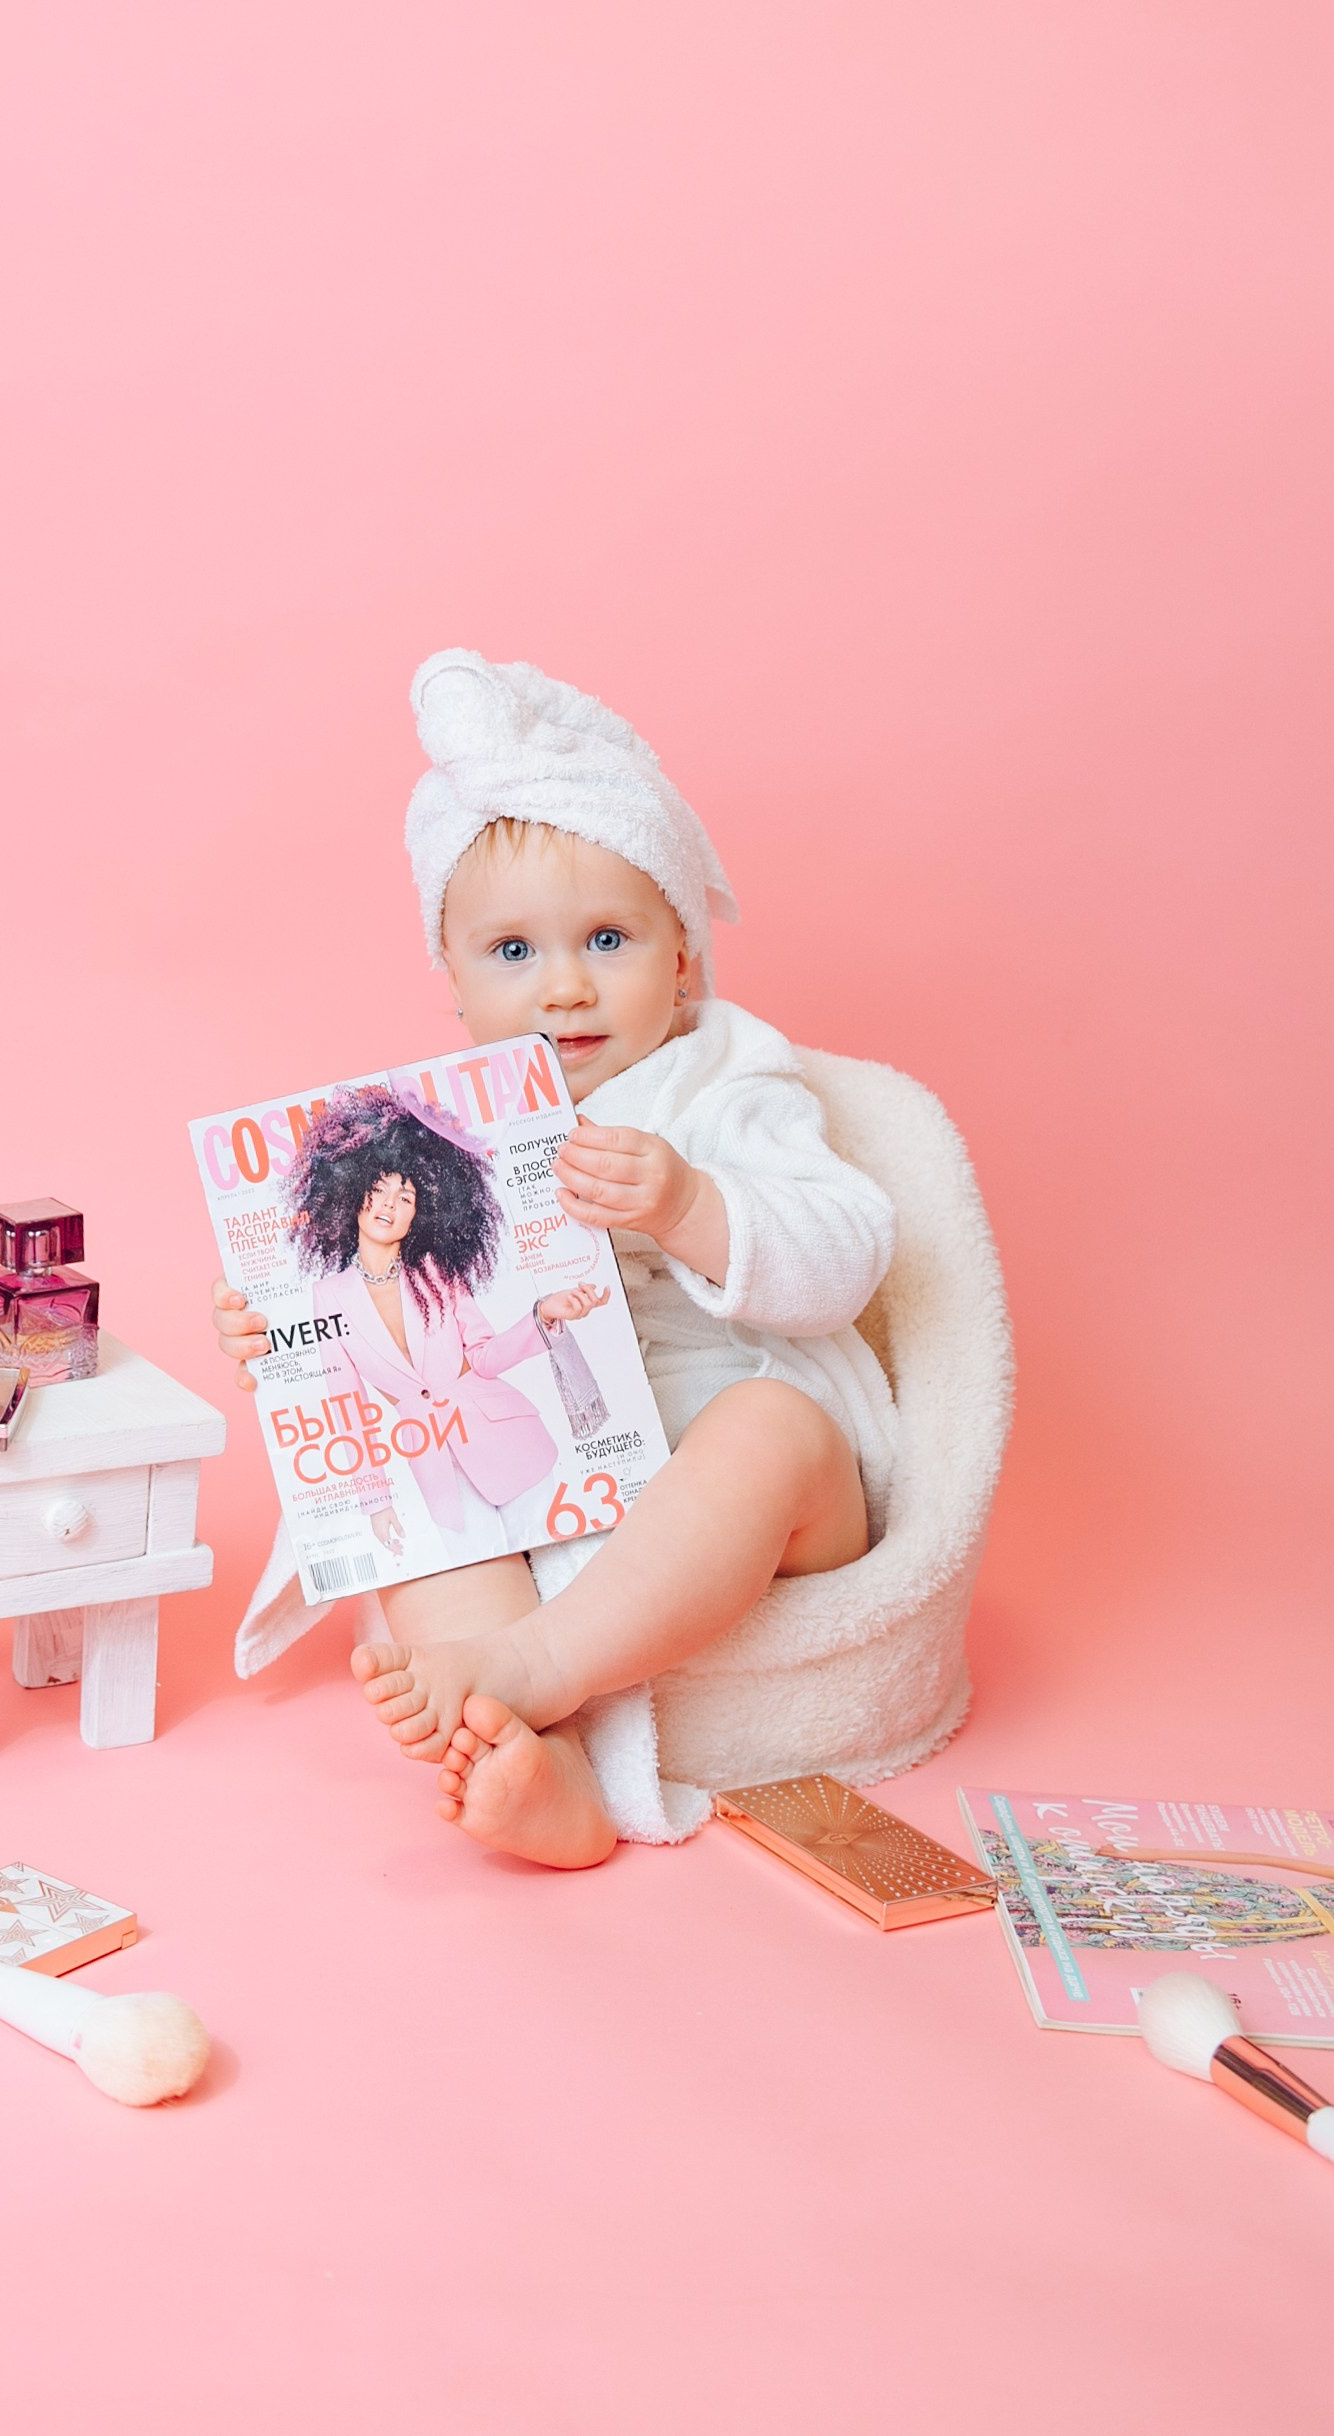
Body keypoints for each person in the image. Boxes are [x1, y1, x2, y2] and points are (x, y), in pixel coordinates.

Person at [212, 649, 898, 1869]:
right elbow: (422, 1339)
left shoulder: (724, 1079)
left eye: (607, 938)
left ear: (681, 957)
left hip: (737, 1463)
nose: (564, 986)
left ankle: (531, 1668)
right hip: (544, 1465)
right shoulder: (435, 1140)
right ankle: (555, 1774)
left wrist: (691, 1203)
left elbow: (848, 1249)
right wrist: (290, 1330)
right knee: (423, 1499)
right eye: (512, 952)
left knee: (772, 1431)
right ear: (453, 981)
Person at [285, 1083, 609, 1563]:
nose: (389, 1205)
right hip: (438, 1473)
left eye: (405, 1197)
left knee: (562, 1572)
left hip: (510, 1445)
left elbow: (485, 1356)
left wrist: (542, 1315)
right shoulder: (328, 1297)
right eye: (378, 1189)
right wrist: (376, 1503)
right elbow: (348, 1407)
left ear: (418, 1215)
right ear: (351, 1193)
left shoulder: (436, 1271)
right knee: (487, 1586)